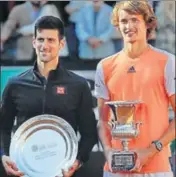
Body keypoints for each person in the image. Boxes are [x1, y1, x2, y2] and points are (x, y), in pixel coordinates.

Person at [0, 16, 97, 177]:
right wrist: (4, 154)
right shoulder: (15, 84)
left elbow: (89, 133)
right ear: (34, 42)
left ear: (61, 44)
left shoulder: (78, 85)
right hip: (24, 170)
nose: (45, 46)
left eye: (51, 40)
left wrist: (77, 161)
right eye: (41, 39)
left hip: (61, 170)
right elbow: (3, 126)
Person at [95, 1, 175, 177]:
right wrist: (108, 152)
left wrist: (151, 150)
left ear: (147, 23)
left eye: (134, 20)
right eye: (123, 21)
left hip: (156, 169)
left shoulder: (167, 62)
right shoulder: (105, 66)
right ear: (117, 25)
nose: (128, 26)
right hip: (115, 170)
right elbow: (102, 120)